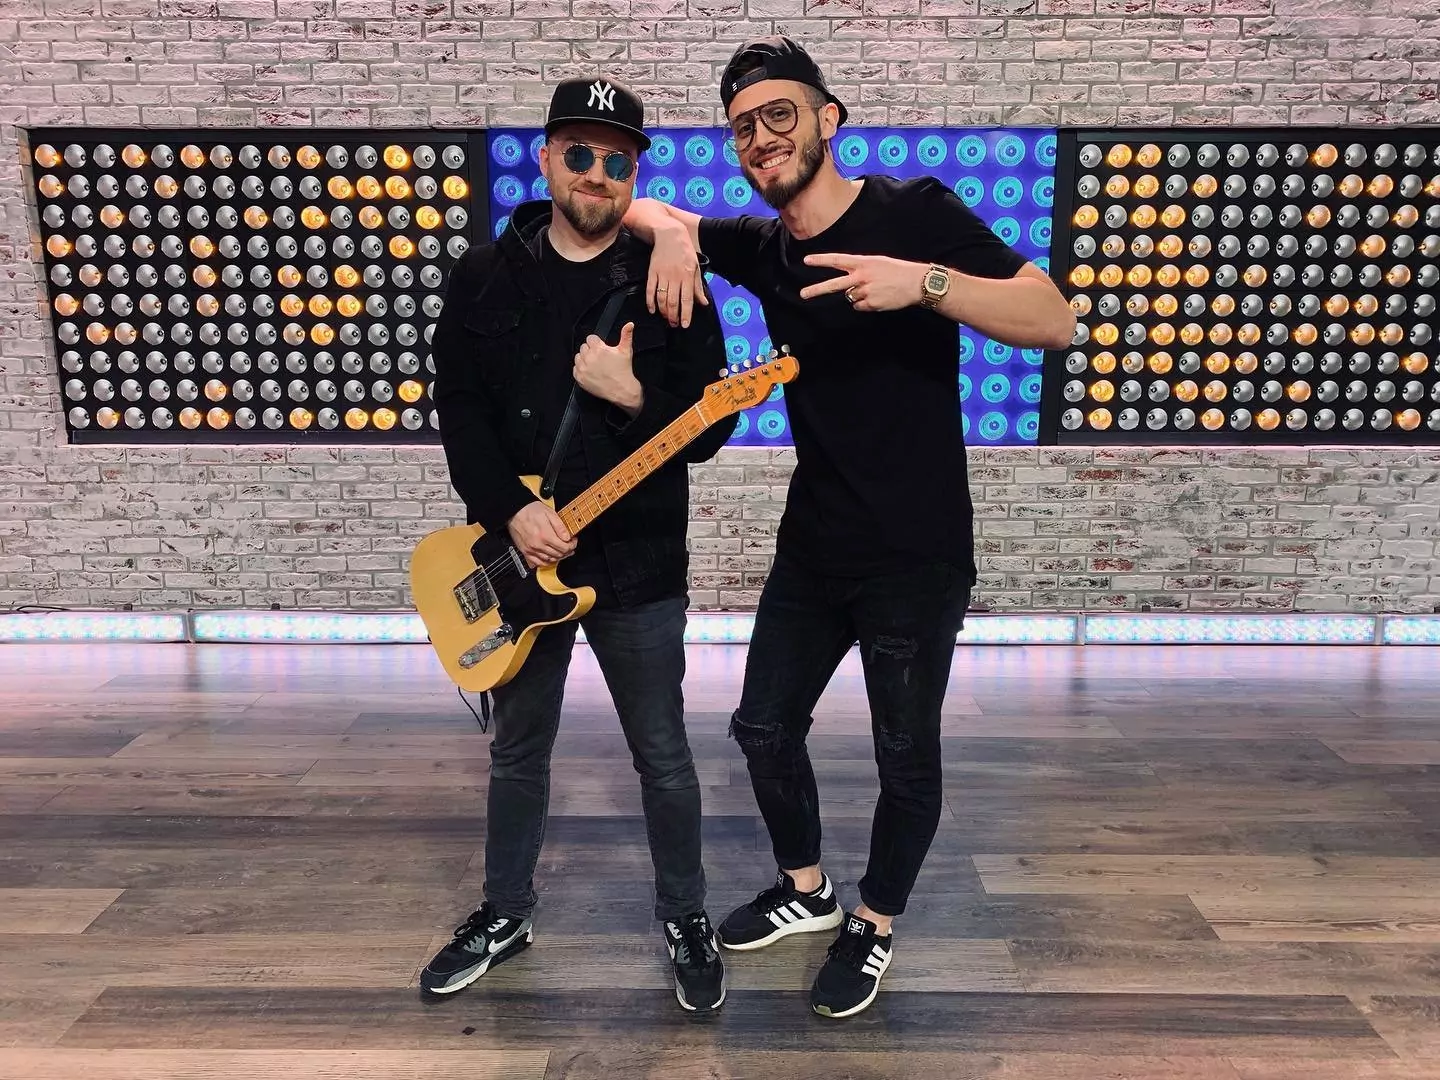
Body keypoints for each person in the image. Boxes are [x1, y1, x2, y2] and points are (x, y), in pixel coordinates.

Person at [623, 37, 1075, 1019]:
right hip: (814, 542)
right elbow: (640, 208)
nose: (761, 137)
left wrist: (929, 284)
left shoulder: (914, 211)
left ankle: (873, 922)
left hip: (916, 551)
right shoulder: (765, 247)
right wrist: (672, 236)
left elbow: (1054, 319)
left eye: (779, 114)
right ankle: (808, 891)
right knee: (761, 726)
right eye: (743, 126)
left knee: (904, 756)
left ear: (829, 119)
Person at [424, 75, 736, 1012]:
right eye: (581, 153)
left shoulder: (670, 278)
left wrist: (632, 393)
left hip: (637, 559)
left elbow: (713, 425)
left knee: (663, 754)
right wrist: (504, 511)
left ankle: (685, 914)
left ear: (635, 174)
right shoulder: (484, 273)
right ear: (548, 157)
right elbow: (459, 411)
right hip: (520, 558)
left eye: (618, 161)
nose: (597, 174)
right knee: (518, 752)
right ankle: (505, 911)